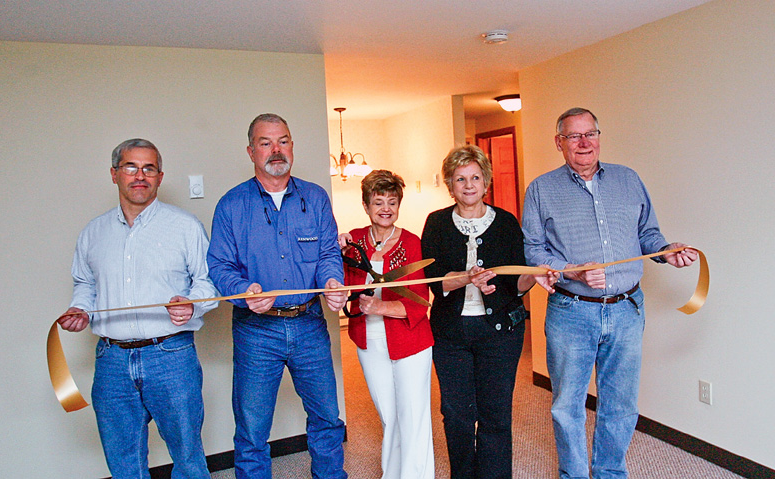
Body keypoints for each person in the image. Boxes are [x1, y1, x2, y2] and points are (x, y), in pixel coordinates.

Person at [522, 107, 698, 479]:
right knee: (567, 404)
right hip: (571, 311)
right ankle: (574, 473)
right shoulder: (540, 189)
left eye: (591, 134)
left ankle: (609, 472)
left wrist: (667, 250)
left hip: (627, 310)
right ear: (559, 143)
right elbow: (534, 250)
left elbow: (648, 234)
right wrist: (575, 272)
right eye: (574, 136)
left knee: (619, 403)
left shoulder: (628, 179)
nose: (584, 143)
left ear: (599, 137)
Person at [57, 138, 219, 479]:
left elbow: (209, 283)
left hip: (172, 357)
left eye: (149, 168)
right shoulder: (93, 233)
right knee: (124, 462)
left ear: (160, 177)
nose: (140, 175)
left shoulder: (185, 227)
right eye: (131, 167)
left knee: (188, 458)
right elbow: (85, 285)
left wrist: (192, 306)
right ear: (115, 174)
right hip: (111, 362)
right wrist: (79, 309)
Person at [207, 113, 348, 479]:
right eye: (266, 143)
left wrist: (332, 282)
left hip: (309, 325)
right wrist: (244, 291)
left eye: (283, 140)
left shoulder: (315, 198)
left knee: (327, 419)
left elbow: (329, 254)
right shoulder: (231, 205)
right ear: (251, 151)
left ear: (292, 146)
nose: (276, 150)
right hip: (257, 331)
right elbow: (219, 266)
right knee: (252, 432)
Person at [421, 145, 557, 479]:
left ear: (487, 182)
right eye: (460, 179)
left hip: (501, 335)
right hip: (451, 334)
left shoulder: (507, 223)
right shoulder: (436, 223)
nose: (469, 185)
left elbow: (518, 285)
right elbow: (433, 282)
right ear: (450, 186)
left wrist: (537, 276)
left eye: (475, 178)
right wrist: (466, 278)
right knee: (457, 415)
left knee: (496, 414)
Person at [338, 170, 434, 479]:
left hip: (410, 340)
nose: (385, 208)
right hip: (369, 340)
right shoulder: (352, 241)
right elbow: (337, 284)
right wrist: (334, 252)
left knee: (412, 416)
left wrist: (380, 306)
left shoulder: (411, 242)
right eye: (378, 202)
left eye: (392, 202)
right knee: (389, 417)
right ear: (366, 205)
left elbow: (421, 300)